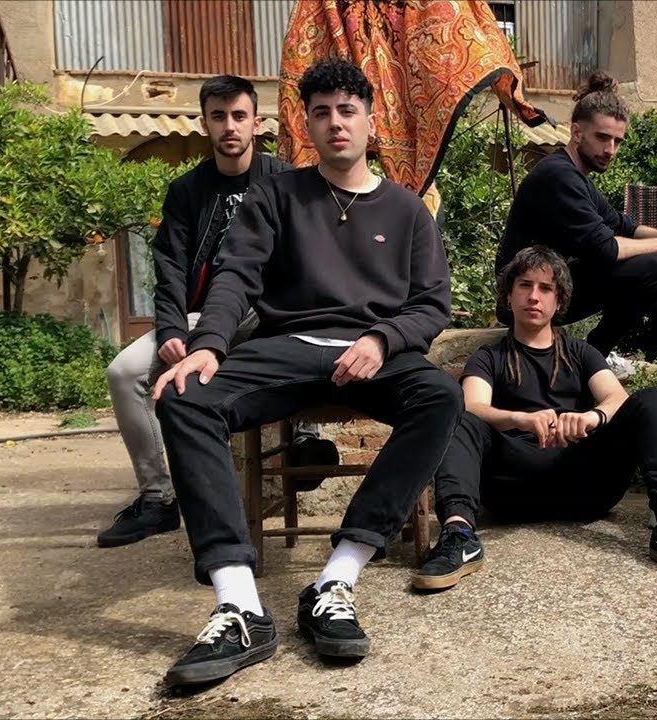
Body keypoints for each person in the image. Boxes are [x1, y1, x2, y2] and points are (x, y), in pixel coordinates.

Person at [151, 58, 463, 686]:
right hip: (287, 347)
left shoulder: (407, 211)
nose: (335, 123)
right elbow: (236, 276)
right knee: (185, 396)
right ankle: (239, 604)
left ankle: (335, 581)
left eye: (347, 111)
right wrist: (209, 344)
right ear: (307, 126)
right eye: (321, 113)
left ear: (370, 122)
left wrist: (383, 338)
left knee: (439, 397)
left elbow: (432, 304)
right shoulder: (276, 195)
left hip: (374, 355)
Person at [98, 74, 337, 549]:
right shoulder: (186, 191)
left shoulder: (288, 182)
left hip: (271, 313)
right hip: (200, 319)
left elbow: (314, 261)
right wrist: (171, 329)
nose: (230, 126)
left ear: (256, 123)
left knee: (300, 334)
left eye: (239, 116)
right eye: (219, 116)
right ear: (204, 123)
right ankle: (157, 498)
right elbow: (169, 268)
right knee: (123, 373)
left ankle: (305, 438)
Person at [412, 245, 657, 593]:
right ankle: (458, 535)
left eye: (546, 288)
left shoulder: (581, 352)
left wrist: (591, 417)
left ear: (558, 301)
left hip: (585, 484)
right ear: (509, 296)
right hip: (513, 487)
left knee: (651, 400)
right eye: (525, 285)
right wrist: (520, 419)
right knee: (460, 414)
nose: (534, 296)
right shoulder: (489, 357)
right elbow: (474, 405)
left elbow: (616, 398)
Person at [496, 70, 657, 366]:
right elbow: (605, 249)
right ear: (576, 133)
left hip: (553, 282)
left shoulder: (576, 176)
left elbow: (620, 224)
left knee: (650, 260)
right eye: (602, 138)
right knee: (653, 266)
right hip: (526, 295)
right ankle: (593, 357)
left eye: (617, 141)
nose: (610, 150)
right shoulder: (558, 177)